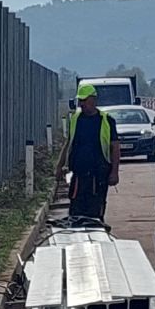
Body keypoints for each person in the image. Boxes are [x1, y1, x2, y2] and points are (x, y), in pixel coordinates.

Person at [56, 83, 120, 221]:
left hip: (99, 175)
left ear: (94, 99)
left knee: (95, 212)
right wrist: (59, 165)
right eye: (80, 101)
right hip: (78, 175)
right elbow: (68, 143)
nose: (82, 104)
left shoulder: (106, 120)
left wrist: (114, 172)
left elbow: (115, 147)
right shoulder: (75, 119)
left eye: (85, 100)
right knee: (76, 212)